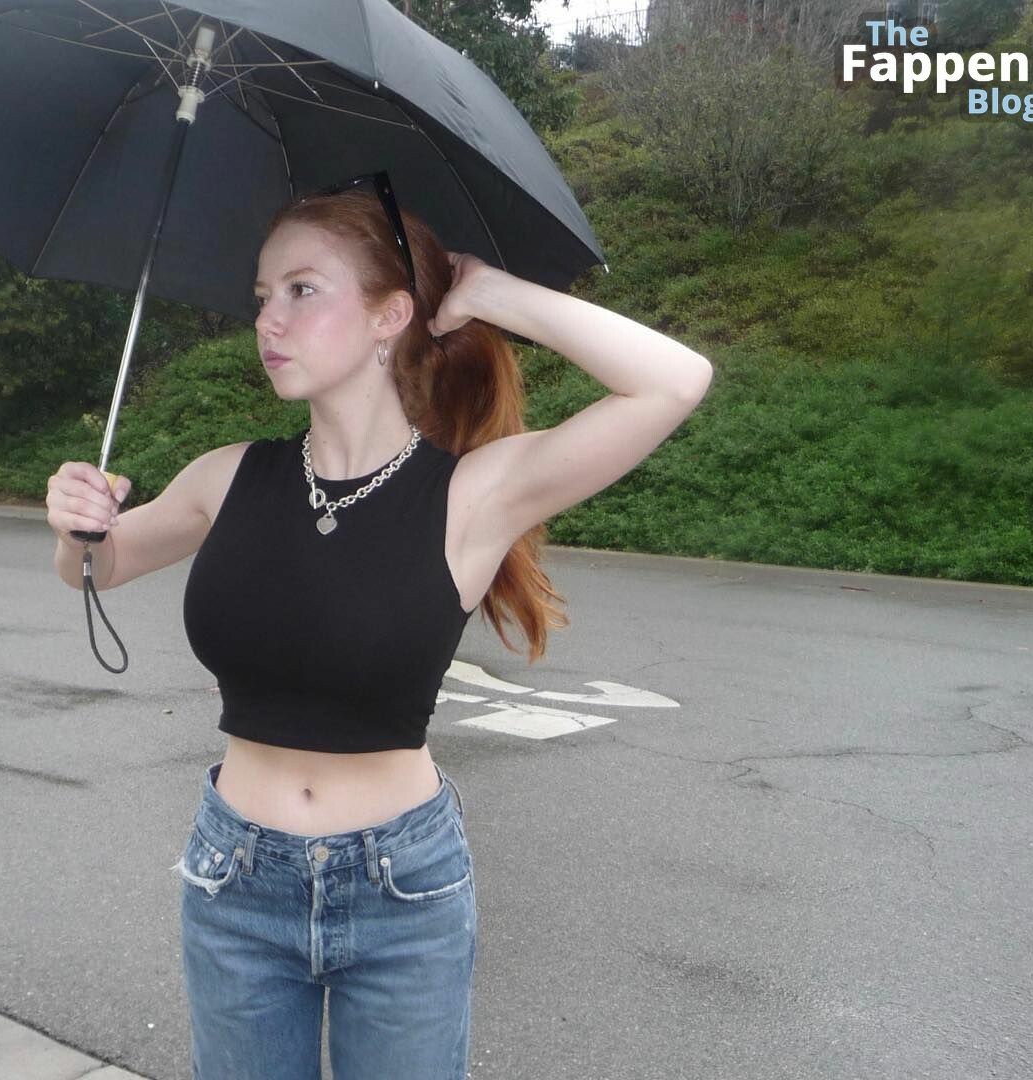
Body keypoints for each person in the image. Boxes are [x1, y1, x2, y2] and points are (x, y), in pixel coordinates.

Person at [45, 173, 713, 1079]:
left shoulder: (471, 495)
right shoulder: (228, 476)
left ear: (389, 315)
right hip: (235, 877)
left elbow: (674, 381)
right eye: (262, 296)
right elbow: (102, 565)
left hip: (403, 887)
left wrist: (490, 294)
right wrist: (77, 527)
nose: (268, 320)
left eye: (301, 289)